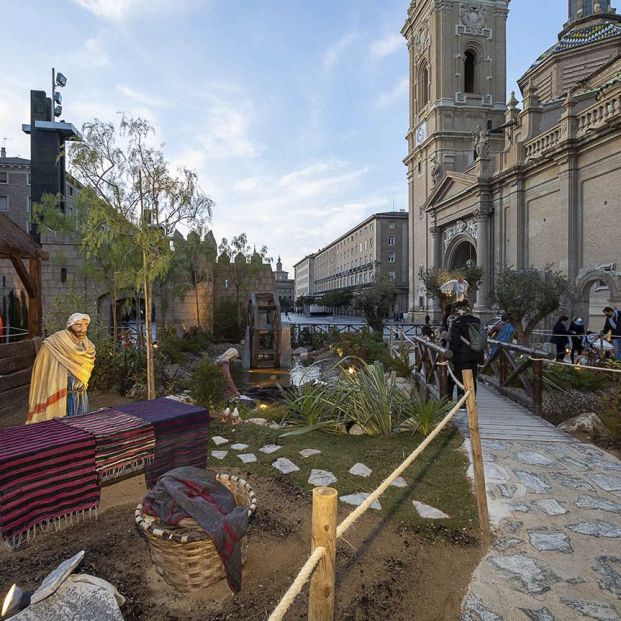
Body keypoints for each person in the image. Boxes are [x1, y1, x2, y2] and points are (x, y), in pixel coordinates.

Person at [27, 313, 96, 424]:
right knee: (63, 428)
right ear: (70, 326)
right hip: (61, 394)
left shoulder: (88, 346)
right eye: (78, 325)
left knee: (82, 427)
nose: (83, 329)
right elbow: (42, 366)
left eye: (86, 325)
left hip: (81, 395)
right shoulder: (55, 343)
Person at [448, 300, 484, 403]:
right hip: (475, 355)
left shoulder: (456, 323)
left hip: (461, 357)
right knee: (472, 378)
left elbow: (455, 342)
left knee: (461, 379)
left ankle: (463, 403)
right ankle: (472, 401)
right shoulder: (476, 321)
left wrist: (450, 355)